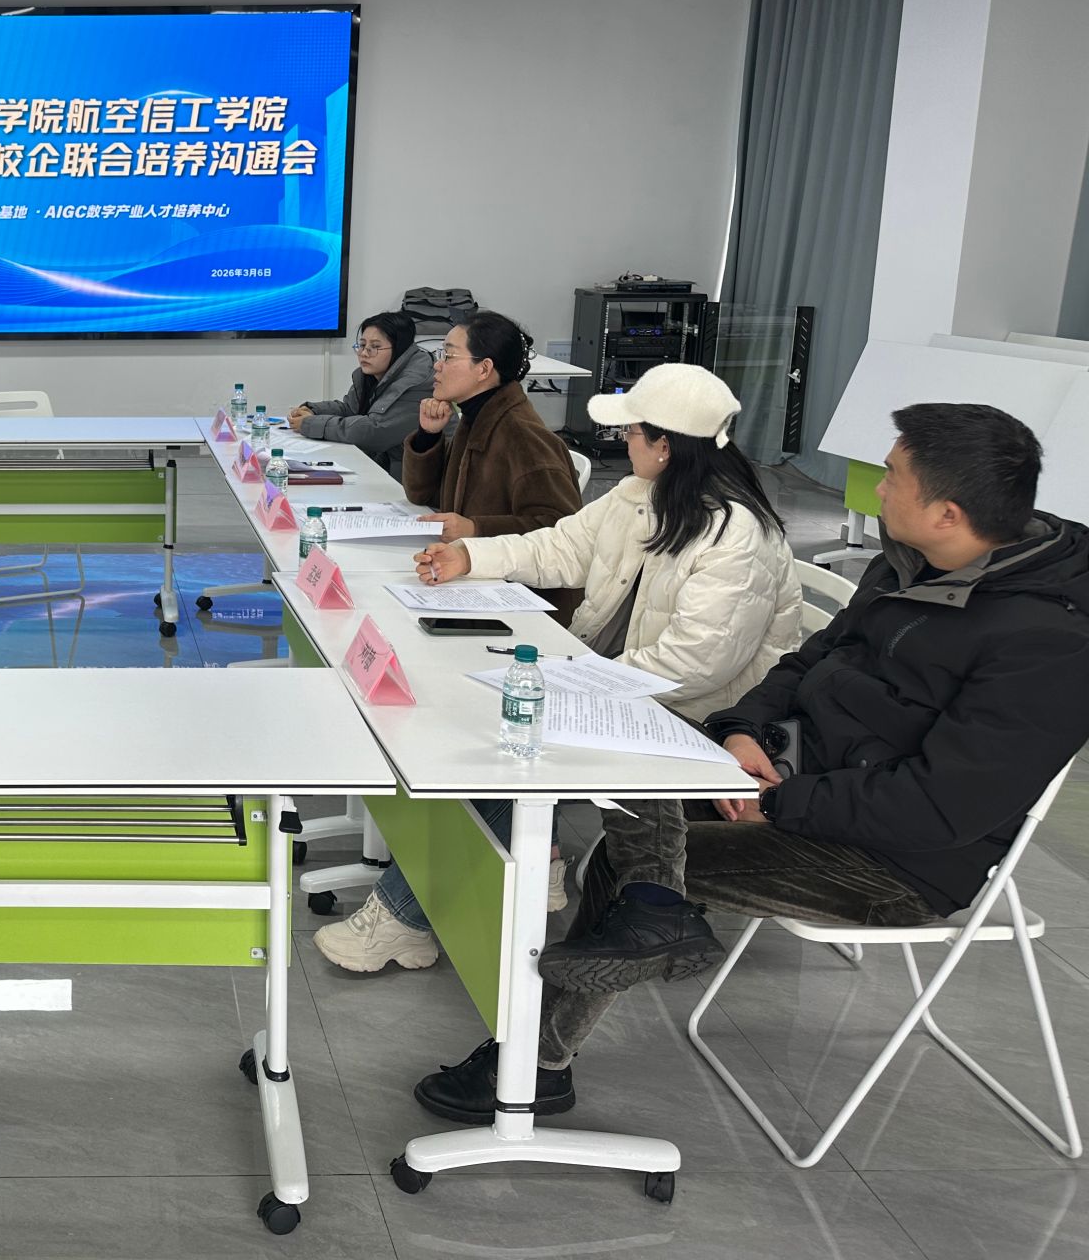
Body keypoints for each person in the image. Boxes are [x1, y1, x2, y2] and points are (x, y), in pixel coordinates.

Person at [411, 402, 1089, 1127]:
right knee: (628, 774)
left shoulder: (1047, 644)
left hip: (894, 862)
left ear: (948, 513)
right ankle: (654, 921)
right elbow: (804, 664)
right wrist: (742, 734)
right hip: (794, 777)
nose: (879, 485)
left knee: (630, 862)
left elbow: (939, 808)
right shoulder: (909, 565)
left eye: (893, 475)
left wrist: (779, 803)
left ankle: (534, 1065)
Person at [316, 364, 800, 974]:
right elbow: (559, 546)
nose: (623, 442)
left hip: (691, 716)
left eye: (632, 432)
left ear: (667, 446)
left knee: (511, 746)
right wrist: (470, 556)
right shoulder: (639, 496)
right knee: (496, 721)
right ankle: (521, 862)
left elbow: (695, 664)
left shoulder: (736, 534)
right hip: (620, 685)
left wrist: (574, 684)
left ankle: (401, 919)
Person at [404, 311, 584, 620]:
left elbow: (563, 533)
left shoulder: (523, 436)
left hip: (527, 605)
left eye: (448, 355)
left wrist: (477, 528)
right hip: (477, 580)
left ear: (484, 369)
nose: (437, 365)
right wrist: (428, 436)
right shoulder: (476, 417)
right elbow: (423, 496)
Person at [287, 311, 432, 478]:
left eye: (375, 347)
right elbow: (351, 409)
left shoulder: (417, 381)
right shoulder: (373, 374)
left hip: (413, 479)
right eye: (362, 345)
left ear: (400, 348)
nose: (364, 353)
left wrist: (311, 424)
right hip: (384, 468)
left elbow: (376, 432)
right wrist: (313, 410)